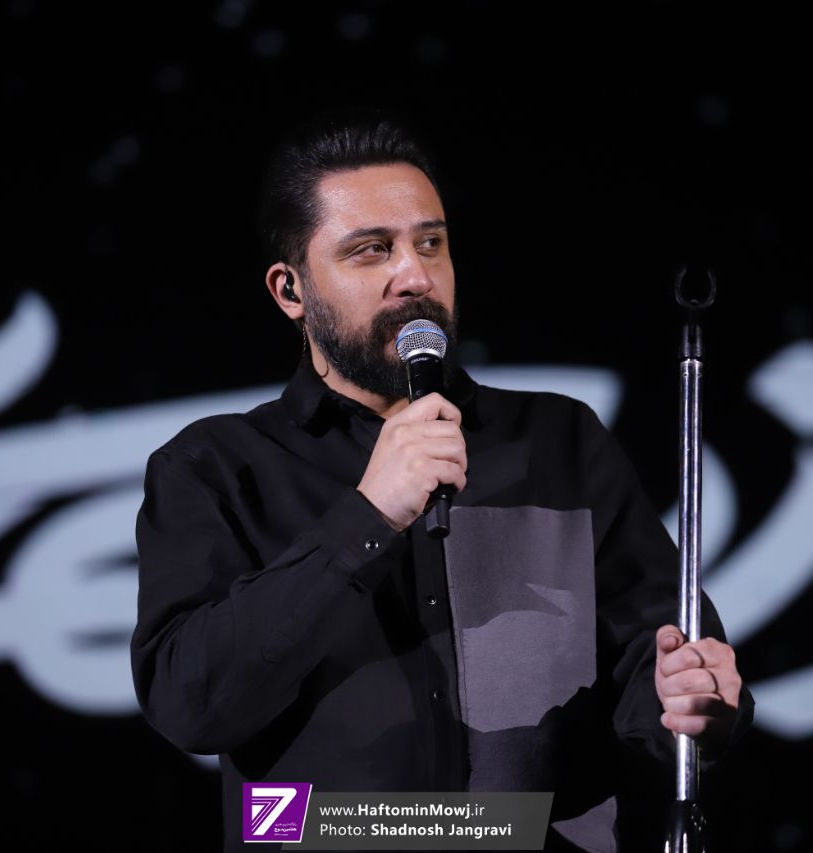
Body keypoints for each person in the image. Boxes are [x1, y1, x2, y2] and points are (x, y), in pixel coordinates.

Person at [130, 114, 753, 852]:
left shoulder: (558, 440)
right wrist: (367, 516)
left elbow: (656, 657)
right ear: (290, 289)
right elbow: (191, 703)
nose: (416, 276)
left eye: (430, 243)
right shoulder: (215, 465)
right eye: (371, 250)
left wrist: (692, 701)